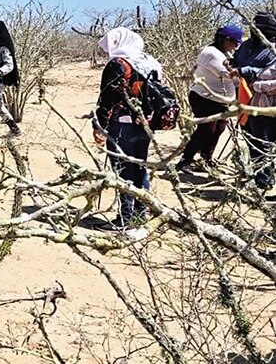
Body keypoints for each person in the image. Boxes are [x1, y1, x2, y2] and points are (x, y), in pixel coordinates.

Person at [93, 27, 163, 229]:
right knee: (140, 168)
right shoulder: (151, 61)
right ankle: (141, 214)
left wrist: (99, 126)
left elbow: (107, 98)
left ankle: (125, 218)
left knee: (122, 171)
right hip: (145, 124)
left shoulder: (118, 63)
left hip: (121, 125)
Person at [176, 24, 243, 172]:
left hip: (220, 100)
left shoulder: (226, 54)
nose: (235, 47)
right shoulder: (211, 53)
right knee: (206, 130)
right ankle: (185, 160)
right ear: (226, 39)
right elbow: (228, 75)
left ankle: (207, 158)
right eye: (234, 43)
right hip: (204, 98)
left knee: (219, 128)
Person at [233, 12, 276, 190]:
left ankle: (264, 182)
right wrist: (233, 65)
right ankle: (263, 179)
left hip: (267, 107)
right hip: (246, 103)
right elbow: (237, 62)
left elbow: (271, 78)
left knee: (263, 144)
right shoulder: (246, 46)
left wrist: (254, 81)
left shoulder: (273, 48)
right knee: (252, 142)